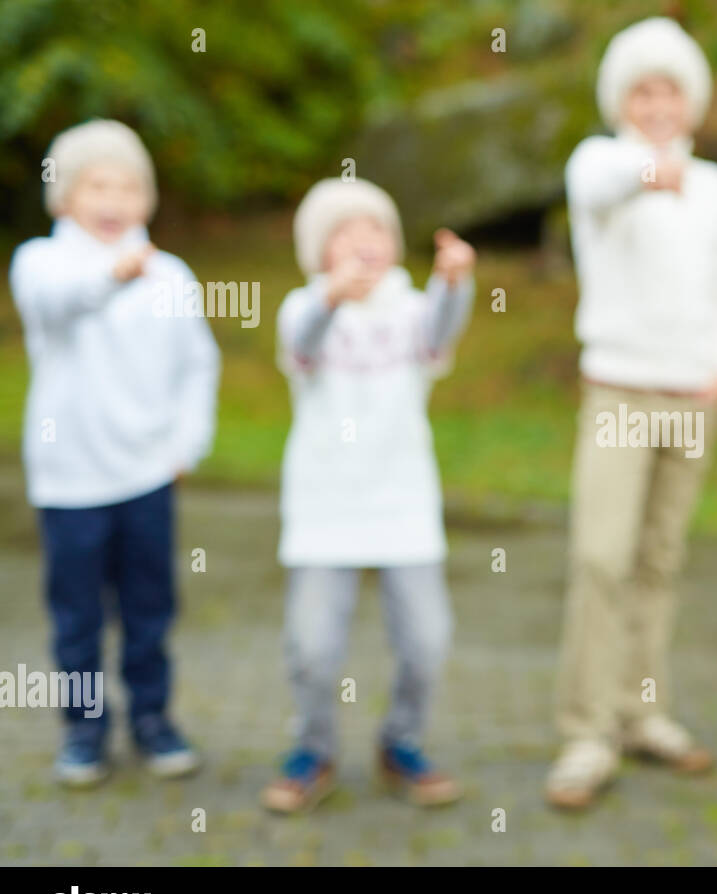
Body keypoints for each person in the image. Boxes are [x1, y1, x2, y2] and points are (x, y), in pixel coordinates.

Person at [546, 17, 717, 809]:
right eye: (643, 90)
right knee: (603, 557)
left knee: (660, 560)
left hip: (692, 394)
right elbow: (605, 187)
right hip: (620, 391)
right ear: (622, 99)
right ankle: (585, 732)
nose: (658, 103)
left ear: (690, 101)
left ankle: (642, 711)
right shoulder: (599, 163)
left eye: (671, 90)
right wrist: (646, 171)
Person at [9, 118, 220, 787]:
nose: (113, 199)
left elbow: (198, 363)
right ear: (65, 194)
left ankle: (153, 719)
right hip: (70, 479)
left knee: (149, 607)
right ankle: (83, 729)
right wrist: (112, 277)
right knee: (77, 614)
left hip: (145, 474)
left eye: (128, 185)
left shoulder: (172, 275)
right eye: (97, 184)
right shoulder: (40, 262)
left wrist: (187, 443)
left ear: (147, 197)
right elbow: (56, 305)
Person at [260, 178, 475, 813]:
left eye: (375, 229)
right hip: (325, 503)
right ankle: (313, 748)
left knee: (428, 639)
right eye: (345, 232)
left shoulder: (411, 311)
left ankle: (401, 742)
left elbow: (442, 327)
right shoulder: (302, 307)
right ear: (318, 250)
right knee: (313, 646)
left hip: (403, 500)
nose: (364, 242)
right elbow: (303, 340)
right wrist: (331, 296)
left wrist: (456, 282)